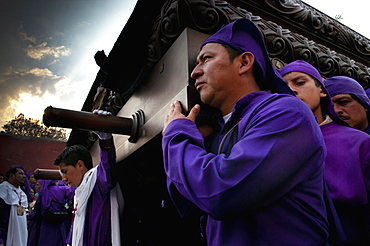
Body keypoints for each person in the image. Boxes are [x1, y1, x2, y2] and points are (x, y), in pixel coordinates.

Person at [162, 18, 330, 245]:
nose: (194, 72)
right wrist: (193, 143)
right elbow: (186, 204)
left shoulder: (287, 113)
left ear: (244, 62)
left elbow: (219, 193)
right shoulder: (217, 132)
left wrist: (176, 135)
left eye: (206, 59)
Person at [280, 60, 370, 245]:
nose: (291, 90)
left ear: (321, 90)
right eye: (283, 86)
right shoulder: (275, 141)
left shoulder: (358, 142)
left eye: (300, 82)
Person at [53, 109, 123, 246]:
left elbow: (107, 167)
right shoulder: (79, 192)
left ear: (80, 165)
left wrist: (105, 138)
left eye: (65, 171)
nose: (63, 179)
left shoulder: (98, 182)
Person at [27, 179, 75, 246]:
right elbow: (73, 193)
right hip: (59, 224)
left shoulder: (43, 192)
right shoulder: (62, 189)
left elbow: (38, 211)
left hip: (45, 225)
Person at [0, 167, 28, 245]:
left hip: (20, 228)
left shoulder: (21, 192)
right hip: (6, 229)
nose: (24, 176)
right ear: (12, 175)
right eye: (20, 174)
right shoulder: (3, 188)